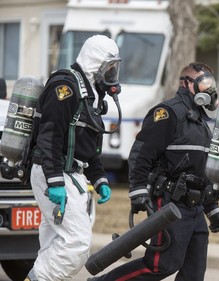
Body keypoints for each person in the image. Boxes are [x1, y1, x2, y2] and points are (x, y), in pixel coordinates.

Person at [88, 62, 219, 281]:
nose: (209, 89)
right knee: (160, 265)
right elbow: (140, 155)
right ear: (186, 84)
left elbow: (203, 171)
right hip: (170, 203)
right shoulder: (168, 113)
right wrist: (138, 192)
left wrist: (212, 210)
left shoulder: (201, 121)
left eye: (211, 83)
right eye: (204, 83)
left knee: (194, 272)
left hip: (195, 208)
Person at [25, 35, 121, 281]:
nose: (112, 74)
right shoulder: (65, 87)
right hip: (54, 174)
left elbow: (87, 145)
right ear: (94, 63)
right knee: (76, 243)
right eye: (109, 67)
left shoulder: (90, 93)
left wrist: (99, 178)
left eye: (115, 67)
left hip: (70, 176)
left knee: (55, 244)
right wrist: (54, 181)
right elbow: (49, 136)